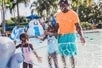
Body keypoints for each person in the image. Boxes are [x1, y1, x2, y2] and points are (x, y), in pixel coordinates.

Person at [55, 0, 85, 68]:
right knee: (62, 53)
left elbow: (78, 26)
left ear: (68, 5)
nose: (61, 7)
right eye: (60, 5)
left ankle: (73, 67)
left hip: (71, 35)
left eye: (63, 5)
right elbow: (57, 27)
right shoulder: (58, 15)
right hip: (61, 36)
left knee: (72, 54)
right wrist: (53, 35)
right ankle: (65, 66)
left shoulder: (73, 14)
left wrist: (81, 36)